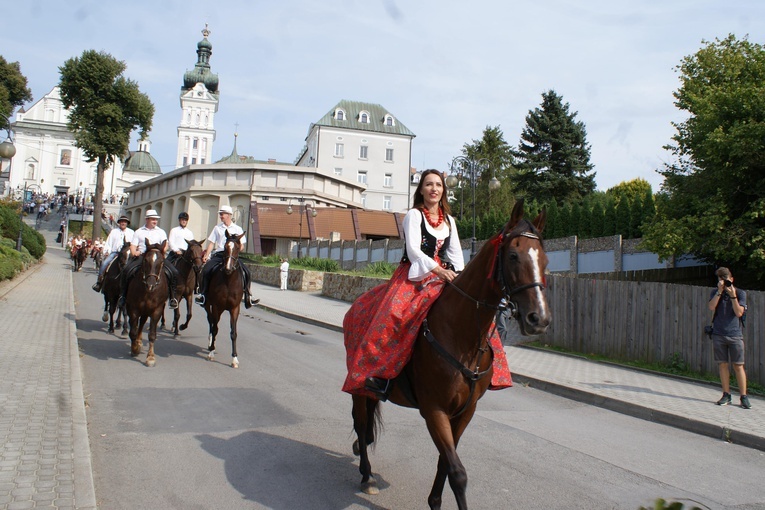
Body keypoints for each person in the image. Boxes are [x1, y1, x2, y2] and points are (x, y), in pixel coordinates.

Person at [343, 169, 473, 399]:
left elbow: (456, 256)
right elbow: (414, 251)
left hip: (445, 275)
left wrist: (460, 279)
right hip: (415, 276)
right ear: (421, 190)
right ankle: (378, 377)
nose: (434, 189)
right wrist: (438, 270)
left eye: (438, 185)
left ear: (443, 191)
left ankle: (481, 371)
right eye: (429, 184)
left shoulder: (450, 220)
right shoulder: (414, 215)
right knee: (393, 317)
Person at [195, 205, 258, 308]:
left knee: (247, 272)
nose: (220, 216)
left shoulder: (238, 229)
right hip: (220, 255)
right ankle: (203, 294)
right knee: (206, 270)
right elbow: (211, 243)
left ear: (229, 215)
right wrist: (206, 255)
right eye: (220, 214)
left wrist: (236, 250)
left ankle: (248, 296)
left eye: (222, 214)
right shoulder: (217, 228)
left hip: (233, 256)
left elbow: (242, 245)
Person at [117, 210, 180, 310]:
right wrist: (134, 253)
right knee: (126, 270)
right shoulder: (139, 232)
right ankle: (123, 295)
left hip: (157, 257)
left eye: (156, 219)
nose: (155, 221)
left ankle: (173, 297)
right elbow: (133, 245)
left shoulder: (161, 231)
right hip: (142, 256)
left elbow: (166, 244)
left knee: (174, 272)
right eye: (153, 219)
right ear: (147, 219)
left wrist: (162, 250)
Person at [709, 267, 750, 409]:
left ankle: (743, 396)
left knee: (738, 366)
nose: (724, 282)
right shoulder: (715, 292)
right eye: (721, 280)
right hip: (719, 333)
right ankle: (726, 394)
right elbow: (711, 307)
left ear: (731, 279)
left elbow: (739, 313)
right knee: (723, 365)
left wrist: (732, 296)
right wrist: (720, 292)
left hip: (735, 335)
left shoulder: (740, 293)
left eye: (726, 280)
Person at [92, 216, 134, 292]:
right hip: (115, 253)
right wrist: (107, 251)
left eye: (125, 222)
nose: (123, 223)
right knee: (104, 263)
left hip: (127, 254)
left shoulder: (131, 232)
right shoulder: (114, 231)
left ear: (127, 223)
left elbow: (134, 244)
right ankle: (99, 282)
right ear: (119, 223)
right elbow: (109, 242)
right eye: (121, 221)